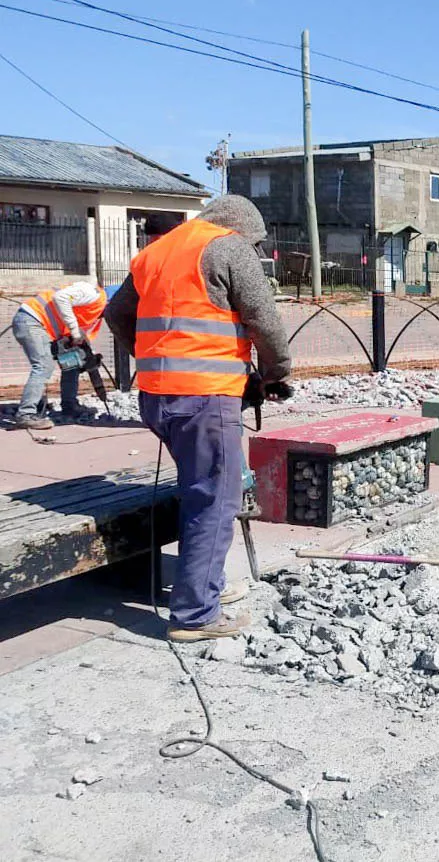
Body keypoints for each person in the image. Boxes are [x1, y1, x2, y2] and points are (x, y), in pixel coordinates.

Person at [106, 196, 292, 642]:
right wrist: (275, 373)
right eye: (257, 244)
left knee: (199, 487)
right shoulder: (229, 248)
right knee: (215, 499)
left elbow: (116, 314)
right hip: (206, 399)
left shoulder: (158, 251)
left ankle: (203, 585)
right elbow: (264, 321)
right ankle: (195, 614)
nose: (257, 251)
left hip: (157, 398)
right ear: (243, 228)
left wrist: (153, 356)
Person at [9, 280, 110, 429]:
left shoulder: (95, 312)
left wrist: (88, 355)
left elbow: (79, 335)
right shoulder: (92, 293)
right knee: (43, 366)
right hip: (32, 321)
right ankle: (26, 414)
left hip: (40, 325)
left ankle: (69, 407)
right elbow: (61, 298)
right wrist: (75, 332)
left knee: (72, 364)